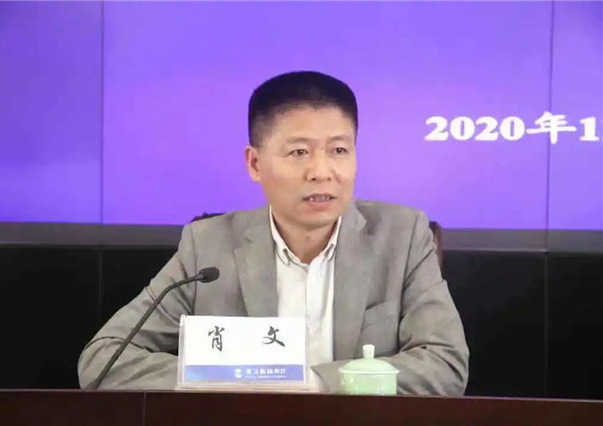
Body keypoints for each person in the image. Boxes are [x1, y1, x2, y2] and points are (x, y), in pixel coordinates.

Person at [78, 71, 469, 394]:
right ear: (254, 163)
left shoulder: (401, 236)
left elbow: (444, 364)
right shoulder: (208, 246)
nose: (321, 171)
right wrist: (232, 383)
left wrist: (315, 384)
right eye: (299, 152)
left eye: (339, 150)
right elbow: (104, 360)